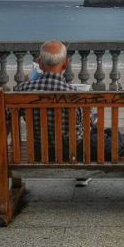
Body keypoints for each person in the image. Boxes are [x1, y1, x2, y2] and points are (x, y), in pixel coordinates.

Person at [15, 40, 91, 186]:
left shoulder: (22, 90)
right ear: (66, 64)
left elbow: (8, 119)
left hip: (36, 152)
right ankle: (81, 174)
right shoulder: (75, 94)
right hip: (70, 154)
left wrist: (27, 82)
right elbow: (82, 126)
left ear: (39, 63)